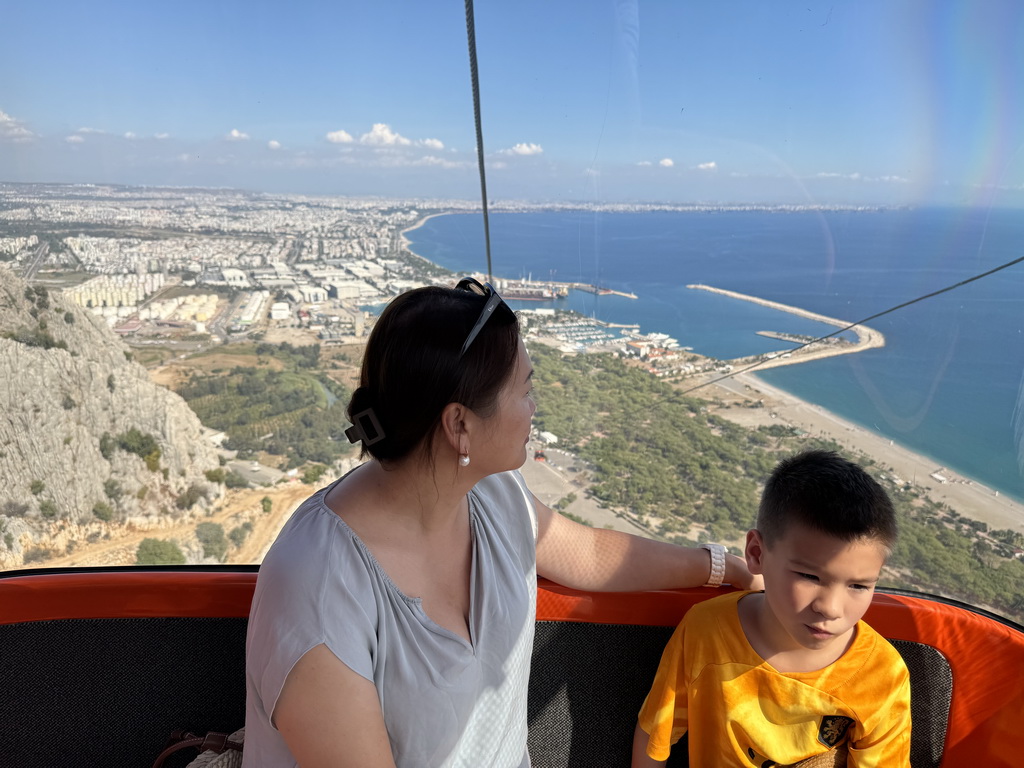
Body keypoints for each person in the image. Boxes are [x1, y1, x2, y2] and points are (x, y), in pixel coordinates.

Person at [243, 278, 761, 768]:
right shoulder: (316, 582)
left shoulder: (492, 494)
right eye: (525, 390)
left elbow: (588, 553)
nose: (535, 407)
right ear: (459, 424)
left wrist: (723, 569)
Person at [631, 449, 911, 767]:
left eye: (859, 585)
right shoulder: (707, 630)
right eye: (809, 576)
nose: (831, 608)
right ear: (756, 553)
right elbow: (657, 733)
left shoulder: (883, 675)